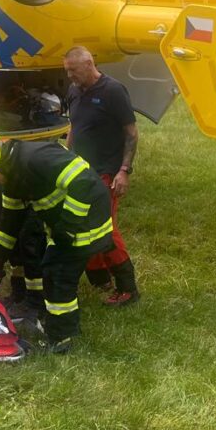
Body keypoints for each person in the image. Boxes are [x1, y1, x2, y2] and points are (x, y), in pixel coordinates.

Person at [0, 132, 114, 354]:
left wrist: (67, 226)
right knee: (52, 270)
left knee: (59, 276)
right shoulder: (12, 176)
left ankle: (61, 339)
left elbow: (85, 182)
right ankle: (60, 327)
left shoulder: (34, 159)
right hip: (66, 227)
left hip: (84, 223)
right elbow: (9, 225)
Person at [63, 46, 140, 305]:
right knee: (84, 225)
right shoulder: (74, 90)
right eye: (67, 71)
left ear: (88, 63)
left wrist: (123, 171)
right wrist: (67, 157)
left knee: (105, 228)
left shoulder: (113, 91)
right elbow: (74, 126)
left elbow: (131, 132)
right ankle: (99, 278)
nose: (70, 76)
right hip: (81, 171)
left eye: (73, 70)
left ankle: (128, 288)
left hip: (106, 172)